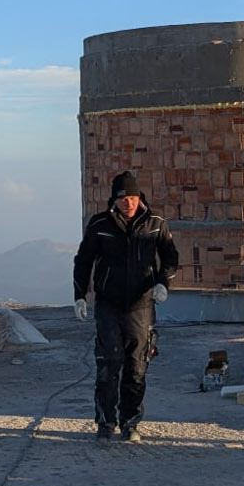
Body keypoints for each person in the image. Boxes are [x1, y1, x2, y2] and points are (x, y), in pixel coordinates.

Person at [73, 171, 179, 442]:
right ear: (114, 200)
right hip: (108, 304)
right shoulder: (99, 224)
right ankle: (105, 423)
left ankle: (130, 423)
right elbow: (83, 260)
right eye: (122, 199)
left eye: (132, 197)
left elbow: (170, 257)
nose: (127, 203)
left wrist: (163, 283)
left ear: (139, 197)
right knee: (108, 365)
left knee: (137, 366)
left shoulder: (155, 224)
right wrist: (80, 295)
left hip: (141, 306)